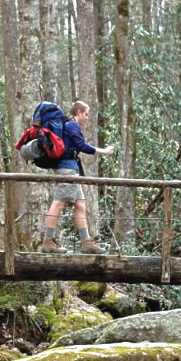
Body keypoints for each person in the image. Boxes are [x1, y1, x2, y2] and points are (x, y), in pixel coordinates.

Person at [40, 101, 114, 254]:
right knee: (59, 203)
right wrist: (104, 151)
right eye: (86, 114)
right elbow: (82, 146)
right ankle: (48, 241)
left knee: (80, 204)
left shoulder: (69, 125)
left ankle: (86, 242)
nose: (87, 118)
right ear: (78, 113)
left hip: (70, 168)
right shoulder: (72, 125)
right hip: (66, 169)